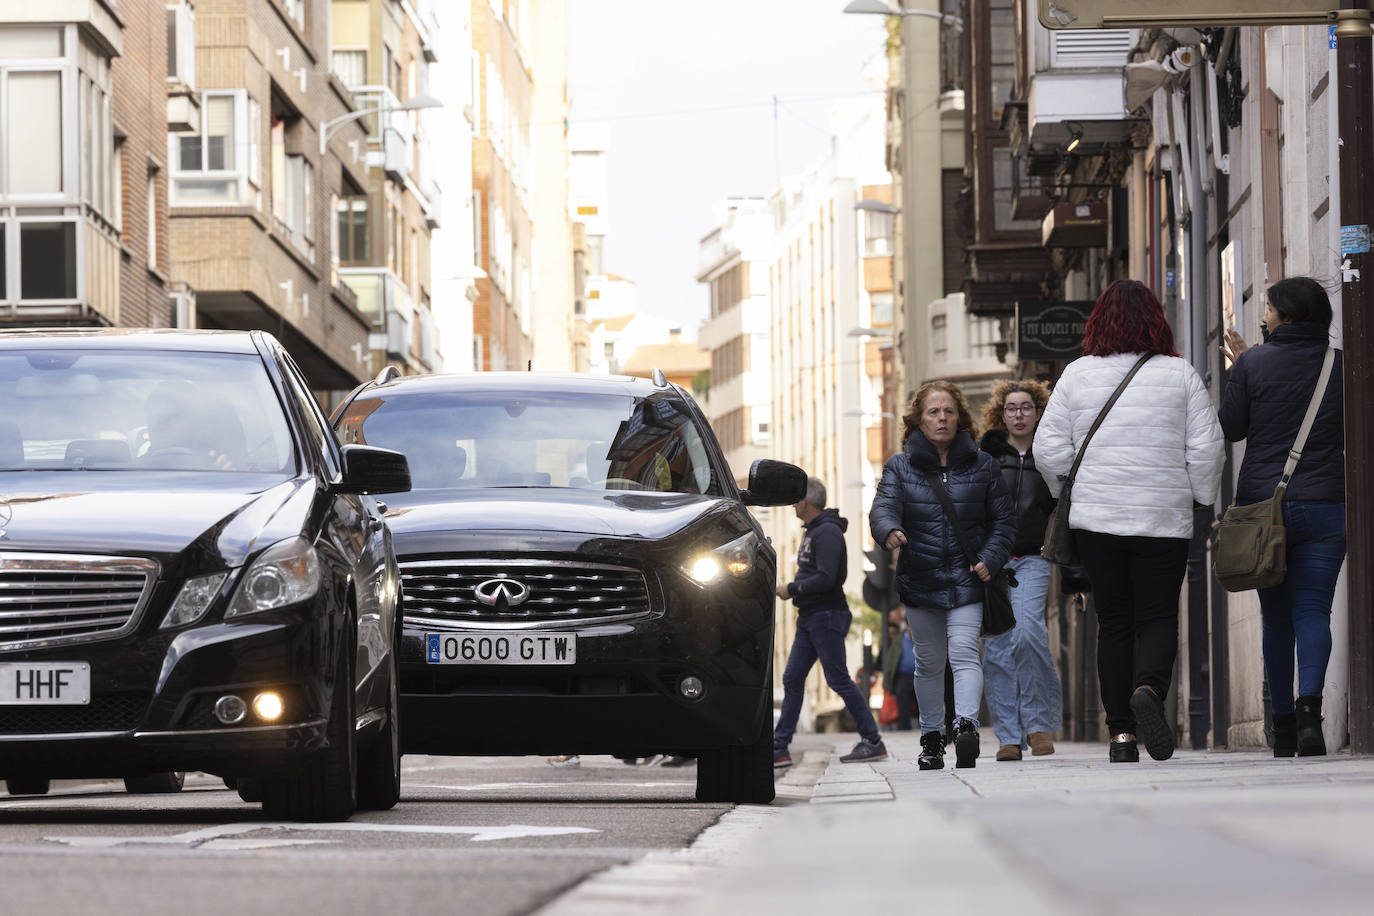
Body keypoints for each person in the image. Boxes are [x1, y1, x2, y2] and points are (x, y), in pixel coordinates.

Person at [1034, 280, 1224, 763]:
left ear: (1098, 321)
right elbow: (1206, 449)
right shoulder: (1180, 374)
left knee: (1113, 622)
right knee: (1157, 615)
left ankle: (1121, 735)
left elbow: (1047, 450)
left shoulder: (1076, 375)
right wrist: (1198, 499)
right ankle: (1149, 689)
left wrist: (1068, 494)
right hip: (1162, 517)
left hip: (1096, 520)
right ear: (1156, 321)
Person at [1219, 277, 1344, 757]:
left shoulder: (1252, 363)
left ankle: (1284, 728)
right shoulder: (1338, 365)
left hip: (1262, 511)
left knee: (1276, 618)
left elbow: (1232, 429)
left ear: (1285, 315)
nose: (1264, 315)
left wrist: (1243, 370)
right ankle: (1312, 717)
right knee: (1314, 611)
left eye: (1267, 308)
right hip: (1327, 505)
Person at [869, 381, 1015, 771]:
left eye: (949, 411)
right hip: (921, 579)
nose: (942, 418)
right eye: (933, 412)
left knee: (965, 653)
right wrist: (889, 531)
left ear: (960, 417)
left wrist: (991, 557)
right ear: (919, 419)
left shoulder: (983, 465)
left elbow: (1003, 521)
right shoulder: (900, 467)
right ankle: (932, 739)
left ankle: (965, 726)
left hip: (968, 579)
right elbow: (882, 508)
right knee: (929, 664)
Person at [773, 477, 888, 768]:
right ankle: (779, 746)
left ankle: (873, 741)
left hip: (826, 615)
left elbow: (826, 578)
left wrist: (792, 589)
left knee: (837, 679)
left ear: (806, 502)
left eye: (796, 499)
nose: (793, 504)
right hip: (811, 616)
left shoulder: (826, 533)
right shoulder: (814, 531)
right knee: (792, 678)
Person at [979, 379, 1063, 761]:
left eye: (1026, 407)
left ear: (1038, 411)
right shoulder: (987, 458)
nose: (1019, 414)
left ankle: (1039, 726)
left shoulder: (1050, 455)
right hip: (990, 563)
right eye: (1011, 408)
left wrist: (1076, 575)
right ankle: (1008, 736)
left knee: (1028, 633)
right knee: (996, 647)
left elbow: (1066, 515)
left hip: (1033, 557)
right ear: (1002, 414)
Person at [880, 617, 917, 731]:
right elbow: (889, 663)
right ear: (907, 627)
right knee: (903, 705)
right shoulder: (898, 641)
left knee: (922, 704)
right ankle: (904, 729)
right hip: (903, 677)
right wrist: (887, 683)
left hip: (919, 676)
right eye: (910, 626)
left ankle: (925, 729)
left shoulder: (922, 640)